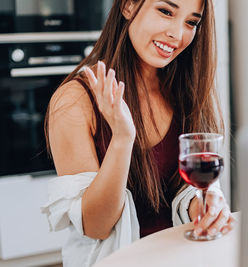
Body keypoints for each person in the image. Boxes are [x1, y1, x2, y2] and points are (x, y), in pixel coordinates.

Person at [41, 0, 235, 266]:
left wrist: (204, 206)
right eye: (166, 12)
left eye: (191, 22)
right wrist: (122, 137)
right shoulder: (74, 101)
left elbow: (184, 189)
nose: (177, 35)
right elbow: (96, 225)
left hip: (182, 257)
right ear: (129, 6)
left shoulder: (184, 90)